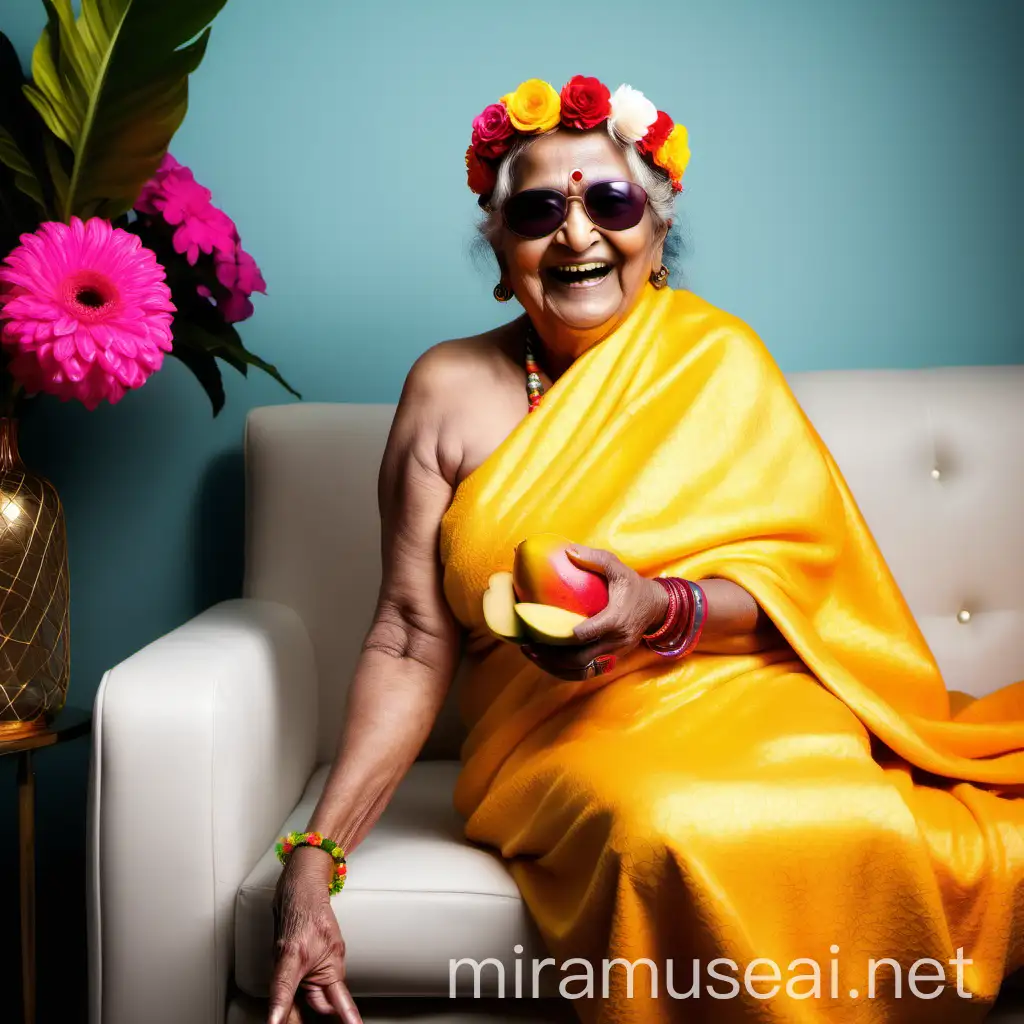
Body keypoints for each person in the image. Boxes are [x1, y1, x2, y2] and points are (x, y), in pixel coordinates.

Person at [267, 76, 1024, 1024]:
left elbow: (803, 588)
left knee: (855, 819)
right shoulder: (447, 385)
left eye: (610, 202)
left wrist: (660, 608)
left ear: (657, 234)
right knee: (668, 828)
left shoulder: (718, 360)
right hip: (556, 739)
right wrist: (317, 852)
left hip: (751, 699)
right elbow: (412, 635)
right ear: (500, 250)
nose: (576, 233)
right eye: (538, 209)